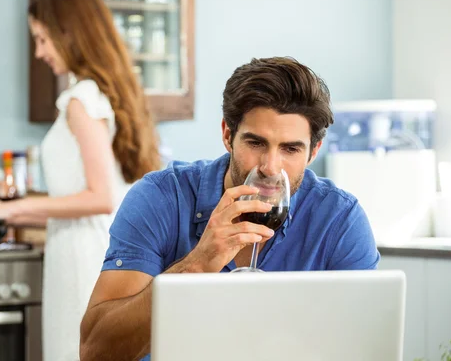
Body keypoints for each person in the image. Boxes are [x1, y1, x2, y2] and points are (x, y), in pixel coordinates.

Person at [79, 56, 380, 361]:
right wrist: (195, 265)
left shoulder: (339, 220)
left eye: (290, 149)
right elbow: (95, 351)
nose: (270, 167)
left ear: (313, 152)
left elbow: (368, 349)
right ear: (227, 135)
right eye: (255, 143)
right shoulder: (160, 198)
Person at [0, 0, 160, 361]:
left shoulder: (80, 100)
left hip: (82, 262)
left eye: (43, 40)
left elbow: (99, 198)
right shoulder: (105, 96)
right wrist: (15, 213)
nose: (40, 53)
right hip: (97, 251)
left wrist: (9, 210)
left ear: (69, 34)